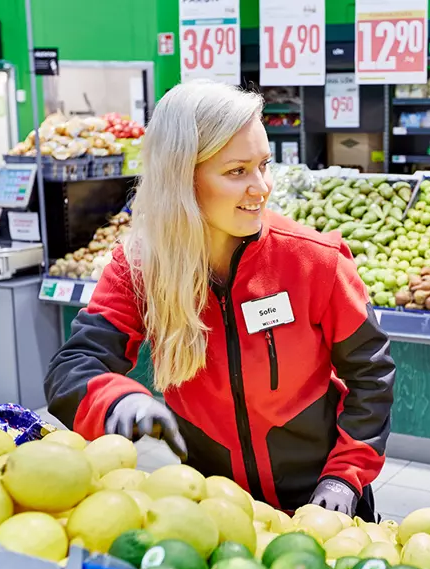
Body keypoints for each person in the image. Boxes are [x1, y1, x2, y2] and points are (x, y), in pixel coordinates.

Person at [45, 80, 395, 519]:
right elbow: (73, 368)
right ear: (182, 178)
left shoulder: (315, 261)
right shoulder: (142, 267)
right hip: (216, 510)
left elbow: (372, 376)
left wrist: (346, 474)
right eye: (237, 171)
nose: (262, 187)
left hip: (324, 504)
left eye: (264, 165)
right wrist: (119, 400)